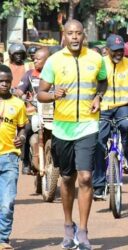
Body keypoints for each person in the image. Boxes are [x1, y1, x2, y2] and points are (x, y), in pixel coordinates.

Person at [37, 19, 107, 250]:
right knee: (67, 178)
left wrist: (98, 96)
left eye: (78, 33)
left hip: (88, 125)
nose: (75, 37)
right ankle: (69, 226)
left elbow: (103, 82)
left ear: (83, 34)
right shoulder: (54, 61)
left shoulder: (96, 58)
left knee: (85, 177)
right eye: (70, 33)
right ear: (64, 36)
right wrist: (54, 94)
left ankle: (84, 231)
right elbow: (41, 94)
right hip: (62, 128)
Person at [92, 34, 128, 199]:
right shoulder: (100, 63)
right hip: (103, 107)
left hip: (123, 105)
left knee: (127, 125)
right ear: (107, 50)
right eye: (114, 51)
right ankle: (98, 185)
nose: (118, 53)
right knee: (99, 144)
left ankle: (127, 151)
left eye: (121, 50)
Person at [0, 64, 28, 250]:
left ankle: (3, 239)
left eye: (7, 81)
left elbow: (22, 127)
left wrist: (23, 137)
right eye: (0, 81)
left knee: (7, 202)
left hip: (9, 157)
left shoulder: (18, 104)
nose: (4, 84)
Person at [14, 48, 50, 175]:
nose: (34, 61)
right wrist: (20, 94)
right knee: (26, 130)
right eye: (34, 58)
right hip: (34, 113)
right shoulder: (29, 74)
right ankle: (26, 163)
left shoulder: (55, 74)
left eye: (38, 59)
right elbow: (19, 90)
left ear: (47, 61)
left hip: (53, 113)